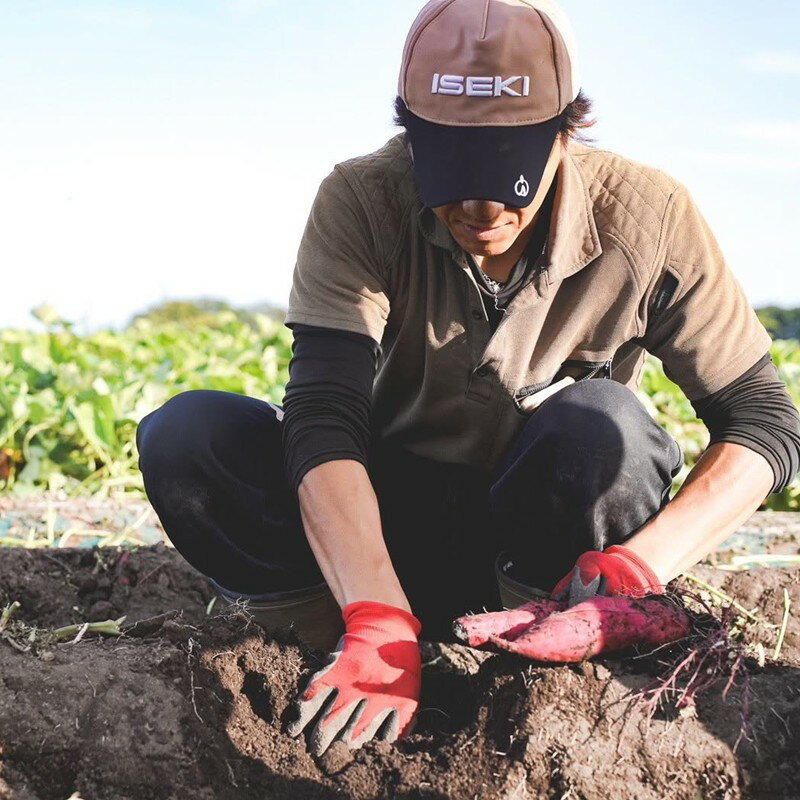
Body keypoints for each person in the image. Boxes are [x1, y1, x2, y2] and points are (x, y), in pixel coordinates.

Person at [136, 0, 800, 759]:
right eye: (453, 175)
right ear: (410, 132)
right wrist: (378, 617)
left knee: (603, 429)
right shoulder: (360, 200)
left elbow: (764, 421)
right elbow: (323, 413)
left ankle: (531, 657)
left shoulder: (647, 216)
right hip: (379, 531)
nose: (483, 208)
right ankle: (328, 647)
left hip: (541, 541)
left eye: (509, 178)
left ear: (565, 129)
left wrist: (633, 573)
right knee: (189, 438)